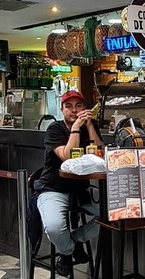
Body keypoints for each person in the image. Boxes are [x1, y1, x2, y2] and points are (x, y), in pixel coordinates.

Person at [36, 90, 101, 275]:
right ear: (62, 109)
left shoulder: (90, 125)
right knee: (55, 227)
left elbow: (99, 152)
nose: (74, 111)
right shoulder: (55, 129)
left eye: (79, 106)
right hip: (53, 188)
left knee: (112, 215)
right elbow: (65, 156)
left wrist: (88, 126)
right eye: (69, 106)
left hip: (82, 190)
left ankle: (76, 238)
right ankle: (67, 251)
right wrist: (75, 128)